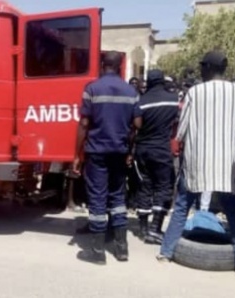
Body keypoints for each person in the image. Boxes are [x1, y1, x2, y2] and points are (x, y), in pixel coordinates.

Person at [157, 51, 235, 274]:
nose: (200, 70)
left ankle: (166, 252)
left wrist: (181, 140)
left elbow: (181, 130)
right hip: (226, 163)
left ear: (208, 67)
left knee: (182, 206)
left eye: (202, 66)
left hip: (197, 162)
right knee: (233, 211)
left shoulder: (195, 92)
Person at [72, 51, 142, 265]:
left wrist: (77, 154)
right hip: (119, 152)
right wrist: (129, 150)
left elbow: (84, 124)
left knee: (98, 198)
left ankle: (97, 250)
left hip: (97, 152)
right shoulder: (131, 91)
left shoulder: (92, 88)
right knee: (118, 198)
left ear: (103, 65)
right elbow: (137, 125)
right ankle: (122, 249)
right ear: (120, 66)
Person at [134, 69, 179, 244]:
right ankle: (155, 228)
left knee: (144, 186)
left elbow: (136, 125)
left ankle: (143, 229)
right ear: (162, 81)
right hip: (162, 149)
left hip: (143, 149)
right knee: (163, 187)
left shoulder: (141, 101)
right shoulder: (173, 101)